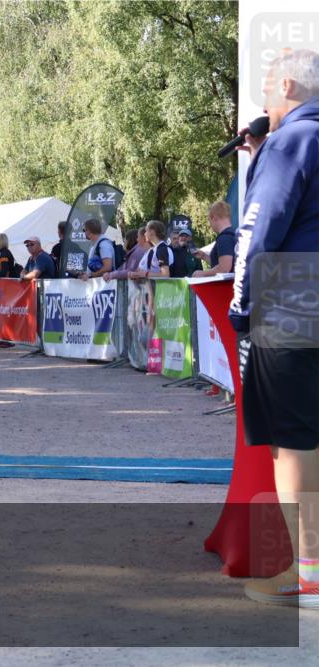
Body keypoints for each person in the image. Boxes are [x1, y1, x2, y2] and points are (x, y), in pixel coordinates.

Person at [230, 49, 319, 608]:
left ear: (286, 84)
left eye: (266, 93)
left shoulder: (293, 141)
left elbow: (256, 232)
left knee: (294, 443)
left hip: (292, 305)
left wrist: (241, 307)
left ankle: (308, 573)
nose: (266, 105)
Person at [192, 201, 236, 277]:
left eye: (209, 220)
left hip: (226, 287)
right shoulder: (232, 235)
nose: (210, 225)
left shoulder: (224, 238)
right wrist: (204, 256)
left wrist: (202, 273)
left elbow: (224, 268)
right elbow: (219, 263)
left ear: (214, 217)